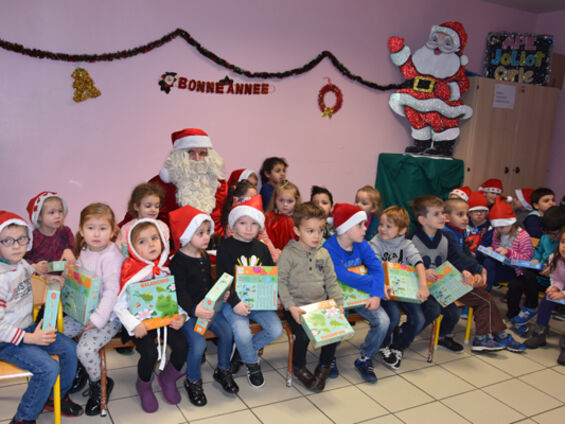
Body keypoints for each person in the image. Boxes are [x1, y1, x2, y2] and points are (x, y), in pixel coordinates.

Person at [411, 195, 525, 353]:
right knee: (481, 299)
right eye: (438, 214)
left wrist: (474, 269)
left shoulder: (448, 236)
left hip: (446, 283)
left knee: (483, 297)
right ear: (422, 220)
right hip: (426, 286)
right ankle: (491, 336)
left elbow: (459, 256)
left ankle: (490, 335)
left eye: (443, 213)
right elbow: (406, 263)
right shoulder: (412, 238)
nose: (443, 217)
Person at [0, 211, 84, 423]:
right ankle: (23, 418)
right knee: (48, 368)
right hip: (7, 340)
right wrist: (30, 339)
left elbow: (33, 272)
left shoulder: (20, 264)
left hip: (28, 328)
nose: (17, 245)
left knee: (70, 350)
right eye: (8, 240)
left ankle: (52, 398)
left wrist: (47, 278)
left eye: (21, 239)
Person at [113, 219, 188, 413]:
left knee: (182, 345)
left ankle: (168, 377)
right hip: (139, 323)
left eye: (154, 238)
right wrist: (134, 325)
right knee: (150, 353)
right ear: (133, 247)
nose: (151, 244)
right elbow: (119, 305)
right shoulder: (130, 268)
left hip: (164, 319)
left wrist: (181, 315)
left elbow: (173, 296)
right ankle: (144, 384)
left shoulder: (165, 266)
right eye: (143, 241)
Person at [169, 205, 239, 406]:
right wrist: (194, 310)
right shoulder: (178, 261)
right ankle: (192, 381)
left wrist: (220, 293)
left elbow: (207, 283)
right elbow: (179, 292)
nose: (206, 237)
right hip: (189, 313)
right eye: (200, 233)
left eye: (207, 232)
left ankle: (223, 370)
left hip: (208, 309)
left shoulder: (204, 256)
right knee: (198, 344)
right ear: (187, 233)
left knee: (227, 332)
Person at [63, 203, 124, 416]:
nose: (96, 234)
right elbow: (81, 279)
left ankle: (100, 384)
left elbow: (111, 292)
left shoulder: (111, 256)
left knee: (85, 349)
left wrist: (97, 319)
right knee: (61, 334)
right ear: (81, 230)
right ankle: (81, 369)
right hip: (84, 311)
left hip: (108, 317)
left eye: (102, 228)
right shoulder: (85, 250)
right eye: (90, 228)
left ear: (113, 231)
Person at [217, 195, 283, 388]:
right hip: (233, 302)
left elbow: (270, 275)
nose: (248, 228)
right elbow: (224, 280)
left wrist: (275, 296)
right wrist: (236, 302)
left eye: (254, 224)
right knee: (243, 334)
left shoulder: (262, 248)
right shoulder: (226, 248)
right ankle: (253, 364)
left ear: (259, 227)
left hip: (259, 301)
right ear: (233, 225)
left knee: (275, 329)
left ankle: (242, 353)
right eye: (243, 223)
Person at [277, 202, 344, 391]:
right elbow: (280, 282)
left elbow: (331, 281)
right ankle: (298, 367)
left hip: (320, 305)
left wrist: (338, 303)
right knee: (302, 335)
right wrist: (290, 306)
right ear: (297, 231)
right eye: (310, 231)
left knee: (333, 333)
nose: (317, 236)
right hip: (296, 307)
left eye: (320, 230)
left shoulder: (324, 253)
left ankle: (325, 365)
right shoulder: (288, 254)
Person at [324, 203, 390, 383]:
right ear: (345, 228)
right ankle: (329, 356)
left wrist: (377, 294)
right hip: (336, 296)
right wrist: (374, 284)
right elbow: (344, 276)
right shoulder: (328, 248)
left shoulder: (362, 244)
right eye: (360, 225)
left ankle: (365, 358)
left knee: (383, 321)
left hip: (362, 295)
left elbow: (377, 269)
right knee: (338, 321)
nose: (365, 228)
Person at [387, 21, 473, 156]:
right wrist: (398, 51)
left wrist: (447, 90)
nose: (438, 46)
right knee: (413, 113)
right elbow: (408, 71)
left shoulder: (454, 67)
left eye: (447, 43)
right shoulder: (421, 62)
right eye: (435, 39)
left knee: (440, 119)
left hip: (441, 105)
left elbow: (463, 84)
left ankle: (443, 145)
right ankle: (421, 143)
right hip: (416, 99)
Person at [123, 128, 228, 235]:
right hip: (173, 248)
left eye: (202, 153)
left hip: (216, 245)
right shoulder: (161, 184)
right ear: (179, 156)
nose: (197, 158)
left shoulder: (219, 184)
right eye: (191, 152)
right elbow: (134, 215)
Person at [369, 206, 428, 370]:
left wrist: (423, 285)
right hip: (385, 290)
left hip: (404, 290)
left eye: (388, 226)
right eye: (381, 224)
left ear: (402, 230)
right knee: (393, 316)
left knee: (419, 319)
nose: (382, 229)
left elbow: (419, 263)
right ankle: (383, 344)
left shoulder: (407, 244)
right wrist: (382, 286)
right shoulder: (375, 243)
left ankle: (398, 346)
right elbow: (374, 267)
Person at [509, 206, 565, 337]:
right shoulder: (546, 238)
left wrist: (551, 271)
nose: (551, 236)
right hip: (541, 275)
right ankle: (515, 315)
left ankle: (531, 307)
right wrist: (535, 259)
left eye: (554, 234)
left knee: (529, 279)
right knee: (516, 283)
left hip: (555, 281)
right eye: (547, 233)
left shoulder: (562, 243)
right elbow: (539, 250)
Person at [485, 199, 535, 335]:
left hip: (516, 270)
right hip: (502, 266)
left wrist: (509, 252)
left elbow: (526, 258)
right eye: (497, 227)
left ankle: (513, 315)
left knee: (515, 285)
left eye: (503, 227)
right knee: (487, 263)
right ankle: (485, 293)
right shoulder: (497, 232)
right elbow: (497, 248)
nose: (499, 230)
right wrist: (491, 249)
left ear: (511, 223)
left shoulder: (522, 236)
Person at [525, 227, 565, 365]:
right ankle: (540, 333)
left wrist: (562, 294)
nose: (564, 247)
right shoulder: (555, 257)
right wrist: (555, 287)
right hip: (563, 288)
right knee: (546, 301)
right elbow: (557, 277)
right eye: (563, 242)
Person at [221, 180, 280, 262]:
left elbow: (266, 240)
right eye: (251, 199)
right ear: (237, 201)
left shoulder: (262, 246)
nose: (254, 202)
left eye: (256, 198)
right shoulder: (232, 224)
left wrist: (276, 259)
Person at [24, 191, 76, 274]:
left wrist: (68, 250)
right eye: (51, 212)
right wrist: (34, 266)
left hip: (63, 276)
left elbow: (72, 251)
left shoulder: (66, 232)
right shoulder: (32, 238)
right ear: (39, 217)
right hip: (41, 278)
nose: (57, 216)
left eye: (60, 211)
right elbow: (22, 259)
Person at [119, 183, 170, 250]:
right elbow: (122, 251)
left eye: (157, 206)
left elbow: (166, 250)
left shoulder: (162, 227)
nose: (153, 210)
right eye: (148, 206)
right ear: (136, 206)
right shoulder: (127, 229)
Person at [264, 181, 301, 250]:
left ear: (296, 201)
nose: (285, 204)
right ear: (275, 199)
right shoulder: (268, 218)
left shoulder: (299, 219)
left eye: (290, 201)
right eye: (281, 200)